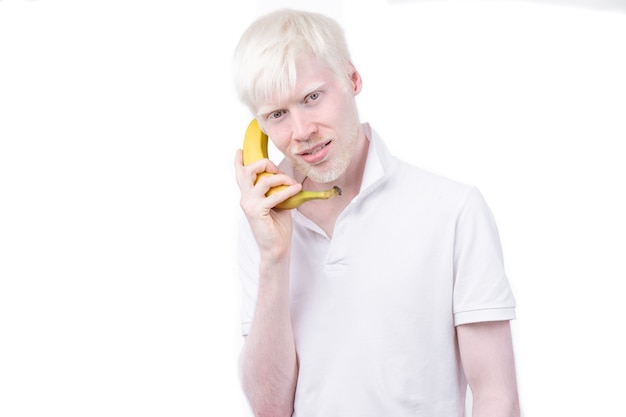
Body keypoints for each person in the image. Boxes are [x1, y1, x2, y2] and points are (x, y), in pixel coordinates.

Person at [232, 8, 520, 417]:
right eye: (277, 114)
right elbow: (269, 408)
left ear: (352, 79)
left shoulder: (453, 209)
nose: (300, 132)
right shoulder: (262, 228)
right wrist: (273, 258)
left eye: (312, 98)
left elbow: (497, 398)